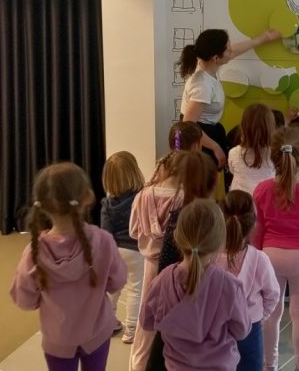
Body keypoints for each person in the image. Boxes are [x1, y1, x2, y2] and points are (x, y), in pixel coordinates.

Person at [10, 163, 127, 371]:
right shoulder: (103, 241)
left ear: (41, 205)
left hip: (57, 340)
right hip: (97, 333)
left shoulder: (33, 253)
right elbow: (116, 283)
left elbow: (25, 300)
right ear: (88, 197)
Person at [129, 149, 215, 371]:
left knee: (147, 316)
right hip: (182, 264)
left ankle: (138, 363)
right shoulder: (185, 201)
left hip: (151, 264)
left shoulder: (143, 195)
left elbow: (134, 231)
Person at [140, 199, 251, 371]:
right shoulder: (230, 286)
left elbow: (146, 321)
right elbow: (241, 331)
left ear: (177, 236)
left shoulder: (163, 279)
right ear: (220, 242)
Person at [253, 127, 299, 371]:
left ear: (272, 155)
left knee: (270, 314)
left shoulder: (261, 189)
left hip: (269, 256)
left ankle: (268, 366)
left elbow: (257, 231)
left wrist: (256, 260)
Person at [178, 28, 281, 170]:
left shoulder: (207, 64)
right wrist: (215, 147)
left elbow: (234, 51)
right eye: (228, 48)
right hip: (199, 137)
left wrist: (263, 38)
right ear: (216, 58)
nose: (231, 50)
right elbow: (188, 125)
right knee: (204, 179)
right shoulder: (202, 86)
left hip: (207, 132)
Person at [215, 191, 280, 371]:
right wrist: (259, 315)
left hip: (216, 330)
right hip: (251, 328)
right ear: (253, 224)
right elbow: (273, 295)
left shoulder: (210, 259)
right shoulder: (260, 259)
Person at [100, 151, 146, 344]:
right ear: (134, 172)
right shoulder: (142, 198)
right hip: (136, 251)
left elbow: (105, 232)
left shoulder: (107, 204)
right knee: (135, 289)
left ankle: (109, 323)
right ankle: (132, 329)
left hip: (116, 251)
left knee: (113, 288)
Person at [228, 104, 276, 194]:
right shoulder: (276, 154)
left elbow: (232, 171)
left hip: (240, 201)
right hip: (266, 199)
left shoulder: (233, 152)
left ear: (243, 127)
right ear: (271, 128)